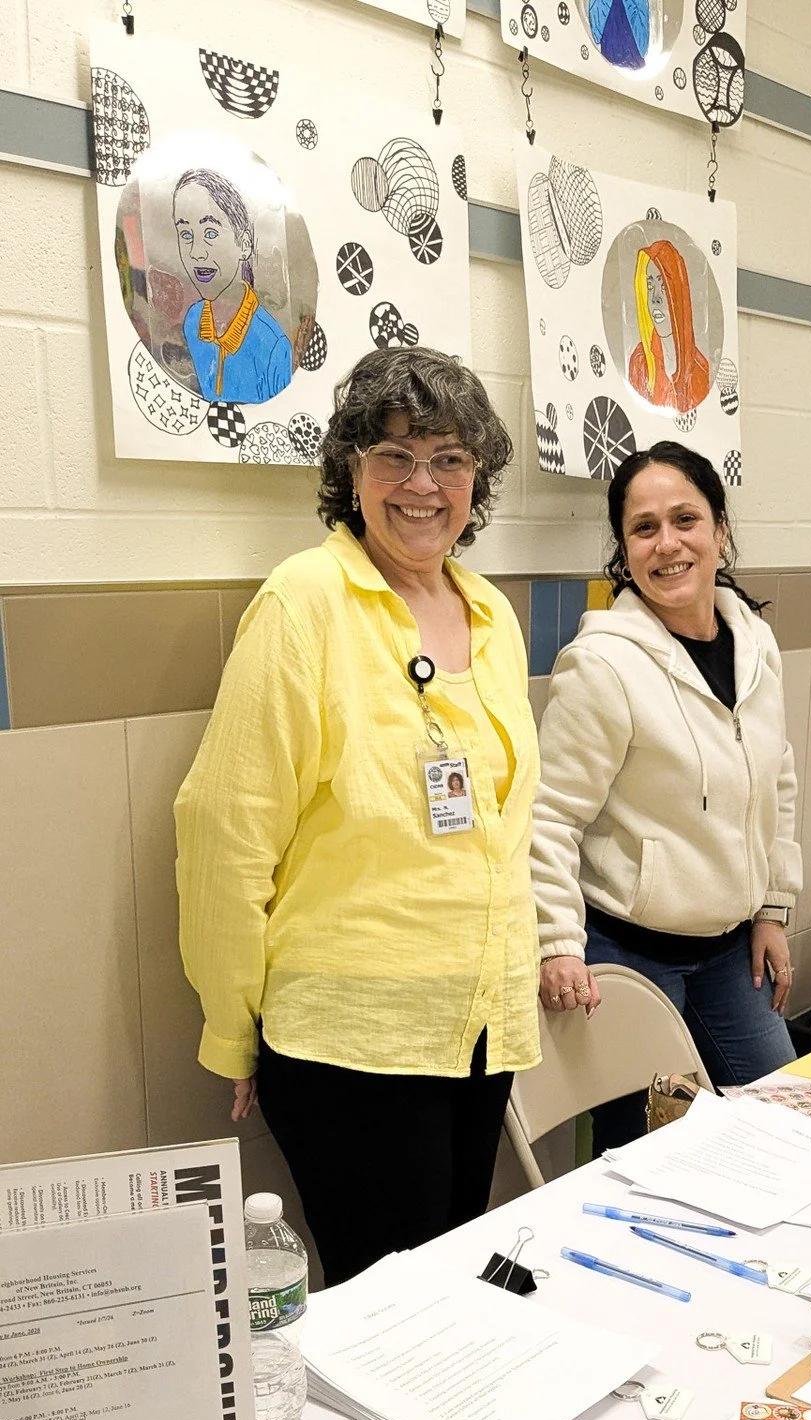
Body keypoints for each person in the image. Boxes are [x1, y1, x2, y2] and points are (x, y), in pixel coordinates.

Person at [175, 347, 536, 1282]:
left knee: (449, 1292)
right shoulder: (305, 603)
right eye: (394, 456)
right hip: (350, 1047)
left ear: (478, 479)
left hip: (474, 1034)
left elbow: (504, 835)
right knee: (391, 1316)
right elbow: (224, 831)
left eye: (450, 458)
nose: (423, 485)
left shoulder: (490, 613)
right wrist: (233, 1027)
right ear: (351, 471)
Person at [531, 441, 800, 1148]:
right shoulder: (602, 666)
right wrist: (558, 943)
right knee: (655, 1152)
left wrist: (773, 907)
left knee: (780, 1121)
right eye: (644, 528)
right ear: (625, 549)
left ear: (721, 530)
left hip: (729, 950)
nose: (668, 543)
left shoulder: (756, 644)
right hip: (631, 953)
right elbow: (547, 817)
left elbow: (777, 777)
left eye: (686, 519)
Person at [172, 166, 293, 403]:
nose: (197, 253)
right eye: (186, 234)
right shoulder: (193, 321)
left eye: (210, 233)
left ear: (244, 244)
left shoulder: (274, 348)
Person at [627, 242, 710, 414]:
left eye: (664, 286)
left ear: (678, 294)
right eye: (650, 287)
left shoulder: (700, 371)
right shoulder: (639, 362)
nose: (655, 299)